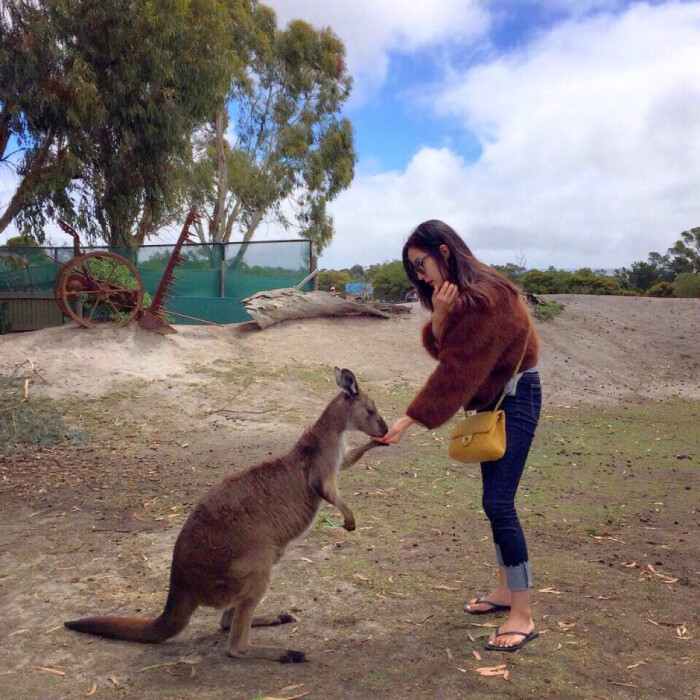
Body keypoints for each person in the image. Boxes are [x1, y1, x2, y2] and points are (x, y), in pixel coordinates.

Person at [381, 220, 542, 652]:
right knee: (493, 500)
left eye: (421, 264)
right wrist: (440, 319)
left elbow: (458, 370)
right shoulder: (458, 300)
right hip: (491, 402)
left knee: (498, 502)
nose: (419, 275)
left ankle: (522, 614)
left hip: (517, 399)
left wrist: (409, 419)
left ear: (444, 251)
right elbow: (449, 350)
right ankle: (506, 590)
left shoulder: (490, 298)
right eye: (412, 270)